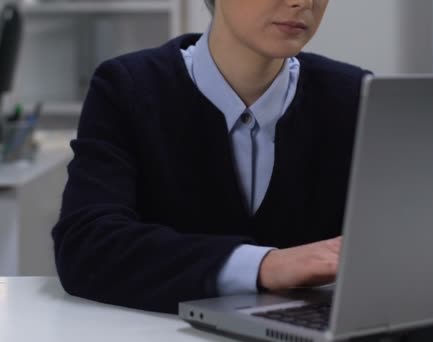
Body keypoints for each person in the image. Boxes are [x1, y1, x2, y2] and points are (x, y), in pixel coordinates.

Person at [52, 0, 369, 314]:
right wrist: (264, 266)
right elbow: (87, 246)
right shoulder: (127, 88)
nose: (302, 2)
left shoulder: (358, 97)